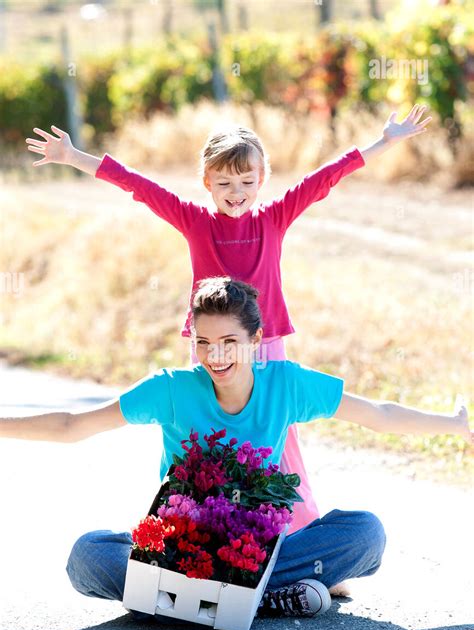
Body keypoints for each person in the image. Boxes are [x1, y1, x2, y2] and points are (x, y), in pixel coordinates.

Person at [25, 106, 431, 536]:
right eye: (223, 183)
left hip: (266, 343)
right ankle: (203, 528)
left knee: (280, 441)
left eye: (246, 182)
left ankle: (295, 534)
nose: (235, 192)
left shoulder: (274, 216)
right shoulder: (195, 221)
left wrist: (384, 143)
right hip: (212, 347)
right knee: (210, 438)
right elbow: (138, 186)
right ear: (207, 182)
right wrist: (74, 157)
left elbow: (323, 179)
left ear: (262, 180)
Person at [1, 277, 470, 620]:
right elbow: (71, 424)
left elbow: (380, 415)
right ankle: (256, 600)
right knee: (87, 556)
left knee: (366, 533)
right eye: (204, 342)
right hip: (179, 551)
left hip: (258, 550)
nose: (216, 355)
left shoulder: (285, 385)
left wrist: (454, 425)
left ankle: (197, 603)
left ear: (257, 341)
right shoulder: (170, 389)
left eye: (230, 342)